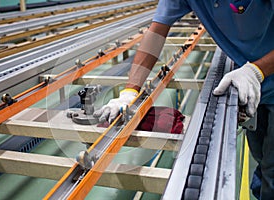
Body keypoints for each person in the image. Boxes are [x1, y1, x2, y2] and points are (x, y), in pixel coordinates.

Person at [93, 0, 274, 198]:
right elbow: (156, 32)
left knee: (272, 175)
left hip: (258, 75)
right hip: (256, 88)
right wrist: (129, 92)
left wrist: (256, 71)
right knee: (263, 161)